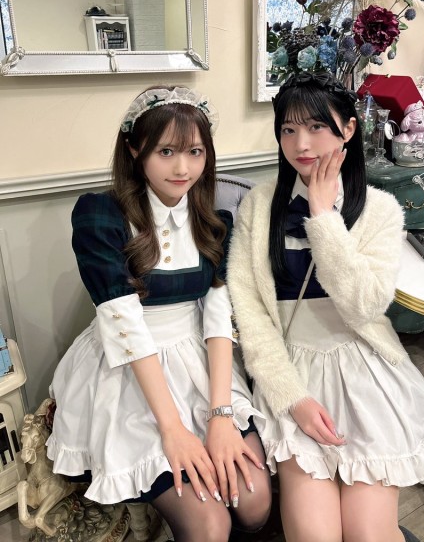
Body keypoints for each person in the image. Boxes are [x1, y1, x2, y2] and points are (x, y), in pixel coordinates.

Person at [227, 72, 424, 542]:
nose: (301, 143)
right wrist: (293, 398)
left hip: (362, 372)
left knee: (370, 535)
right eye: (288, 129)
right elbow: (251, 315)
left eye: (316, 126)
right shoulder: (259, 206)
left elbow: (365, 306)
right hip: (291, 371)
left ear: (348, 129)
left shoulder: (380, 209)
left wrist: (323, 217)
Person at [46, 86, 271, 542]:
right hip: (129, 369)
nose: (183, 168)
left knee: (255, 503)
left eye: (195, 152)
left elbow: (217, 318)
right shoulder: (100, 216)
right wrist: (173, 430)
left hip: (199, 363)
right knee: (209, 526)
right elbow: (124, 326)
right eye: (166, 151)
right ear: (135, 149)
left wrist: (220, 415)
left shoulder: (214, 223)